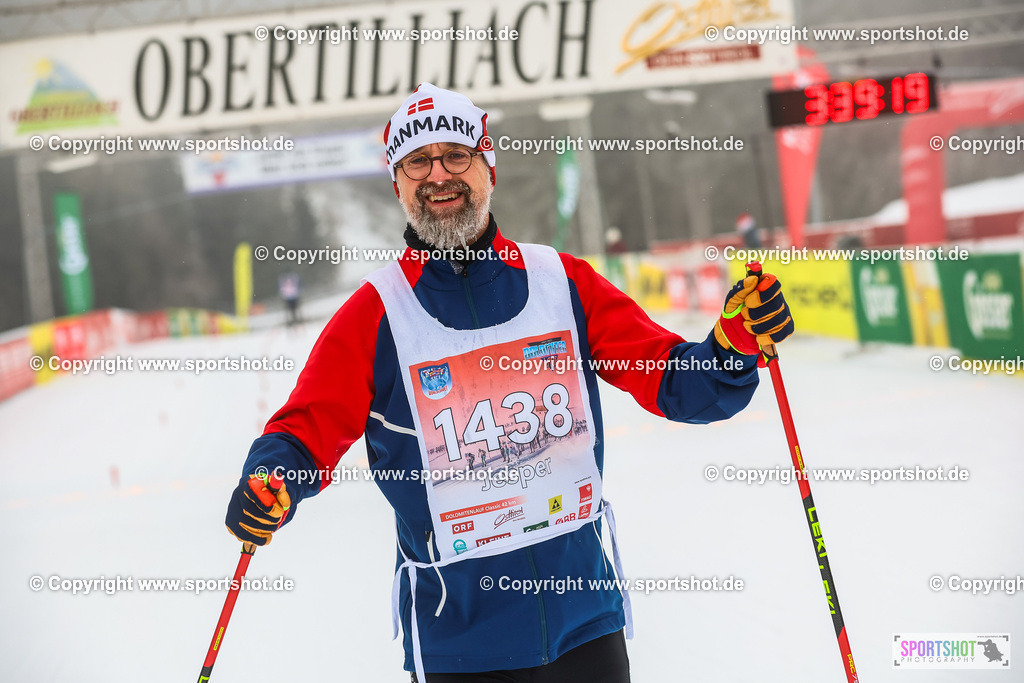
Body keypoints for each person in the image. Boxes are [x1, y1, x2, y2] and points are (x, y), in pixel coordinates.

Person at [225, 84, 794, 682]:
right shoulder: (375, 314)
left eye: (456, 155)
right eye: (417, 161)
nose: (438, 175)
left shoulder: (561, 283)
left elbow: (674, 381)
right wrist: (271, 478)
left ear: (487, 165)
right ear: (398, 185)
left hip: (585, 624)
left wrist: (730, 350)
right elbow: (304, 433)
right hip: (462, 643)